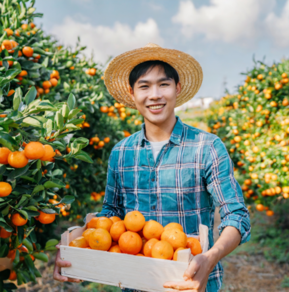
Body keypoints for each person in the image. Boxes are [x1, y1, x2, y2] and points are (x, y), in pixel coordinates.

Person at [53, 43, 251, 292]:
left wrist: (210, 257)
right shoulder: (121, 152)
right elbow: (111, 212)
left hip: (192, 282)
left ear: (177, 88)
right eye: (144, 86)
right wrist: (78, 250)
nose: (155, 95)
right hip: (135, 283)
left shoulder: (207, 147)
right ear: (132, 93)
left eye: (164, 84)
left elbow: (237, 215)